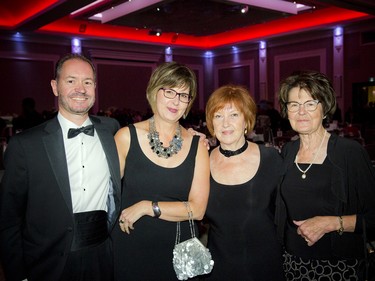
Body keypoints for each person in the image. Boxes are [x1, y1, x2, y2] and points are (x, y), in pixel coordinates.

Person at [0, 53, 121, 281]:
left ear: (95, 87)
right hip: (48, 264)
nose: (80, 88)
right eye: (71, 80)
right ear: (55, 87)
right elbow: (8, 220)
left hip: (103, 256)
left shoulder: (112, 131)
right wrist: (19, 275)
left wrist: (189, 137)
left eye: (87, 82)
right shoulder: (25, 145)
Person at [112, 62, 210, 280]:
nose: (176, 100)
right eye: (169, 91)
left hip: (178, 255)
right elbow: (109, 197)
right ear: (154, 91)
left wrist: (148, 207)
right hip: (131, 248)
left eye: (184, 95)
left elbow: (198, 209)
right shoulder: (126, 137)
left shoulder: (197, 146)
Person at [276, 71, 375, 280]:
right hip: (292, 264)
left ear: (325, 109)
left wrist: (330, 223)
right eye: (293, 104)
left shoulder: (349, 152)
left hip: (339, 267)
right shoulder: (287, 151)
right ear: (286, 111)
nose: (301, 111)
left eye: (310, 103)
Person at [203, 85, 285, 280]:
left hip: (265, 267)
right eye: (218, 116)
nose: (225, 123)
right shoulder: (201, 162)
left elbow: (287, 213)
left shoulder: (271, 159)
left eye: (234, 115)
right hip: (218, 268)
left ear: (247, 121)